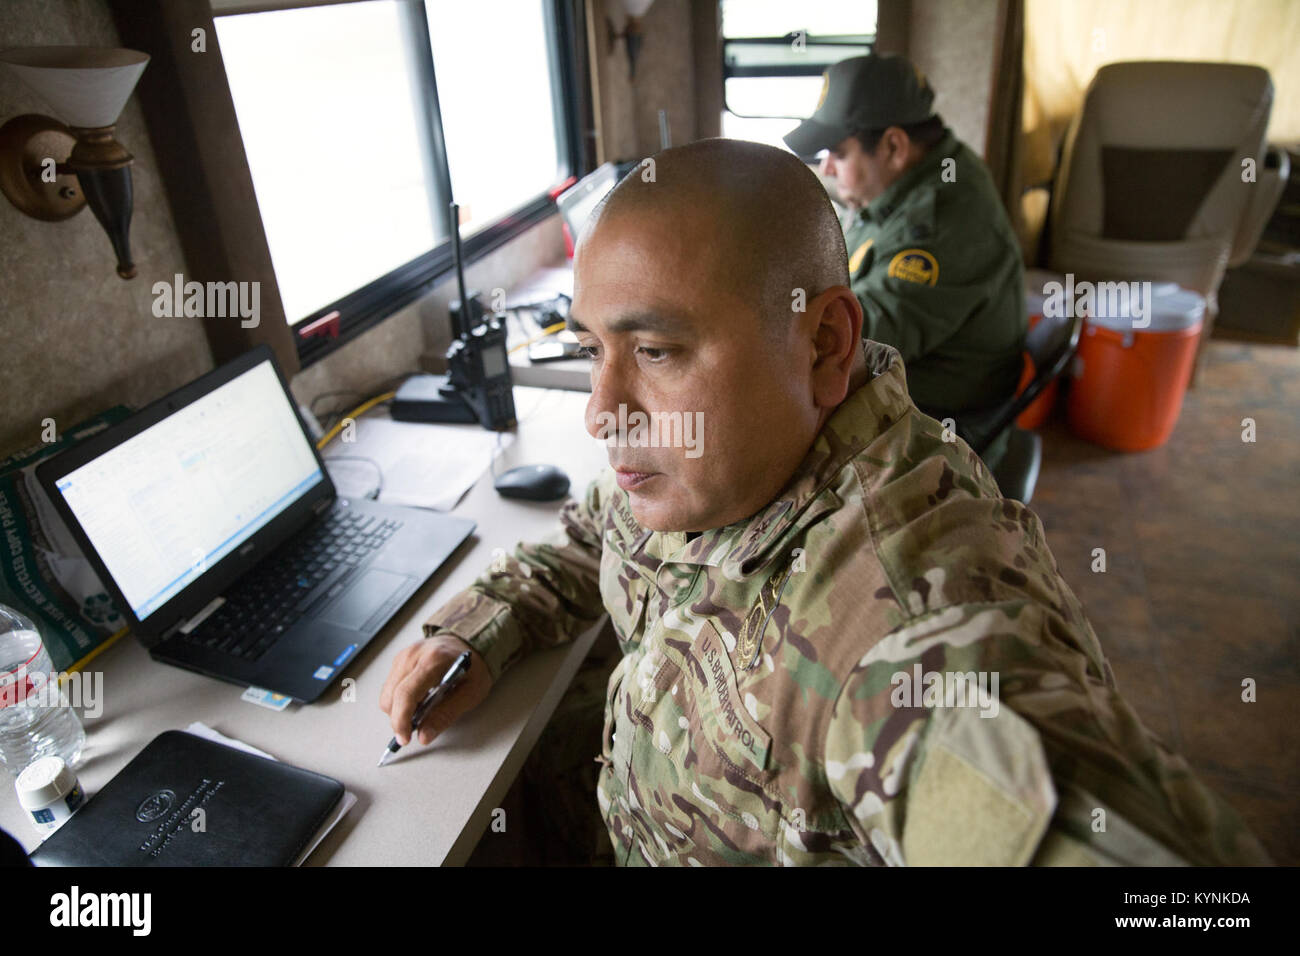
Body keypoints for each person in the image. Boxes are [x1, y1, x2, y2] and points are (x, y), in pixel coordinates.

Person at [380, 139, 1268, 866]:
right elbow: (593, 536)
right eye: (592, 348)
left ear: (824, 343)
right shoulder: (703, 463)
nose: (601, 411)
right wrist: (483, 623)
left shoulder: (908, 630)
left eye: (654, 350)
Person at [784, 53, 1026, 467]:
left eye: (838, 153)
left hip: (945, 423)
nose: (826, 168)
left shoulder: (939, 223)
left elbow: (855, 340)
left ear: (894, 146)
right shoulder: (908, 182)